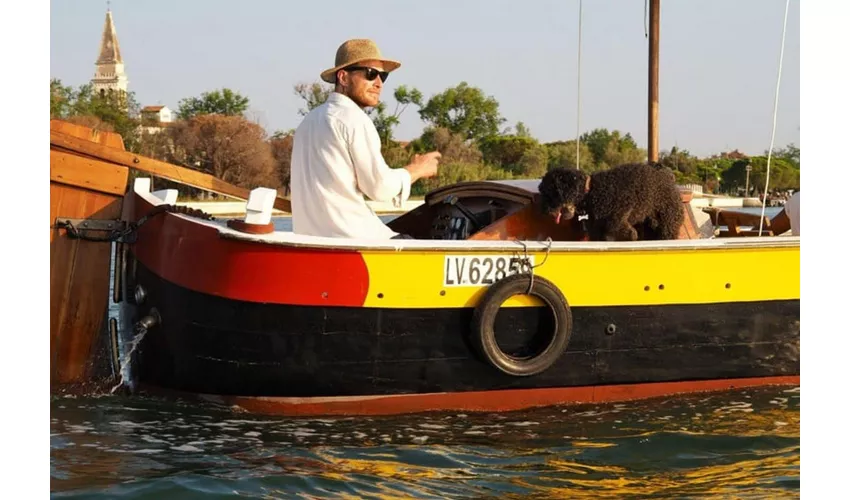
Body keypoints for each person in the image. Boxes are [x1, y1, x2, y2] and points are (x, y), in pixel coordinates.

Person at [290, 39, 441, 239]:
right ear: (343, 77)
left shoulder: (307, 122)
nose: (378, 83)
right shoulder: (352, 118)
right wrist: (415, 170)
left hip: (315, 243)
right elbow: (380, 188)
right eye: (370, 74)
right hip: (357, 242)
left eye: (383, 76)